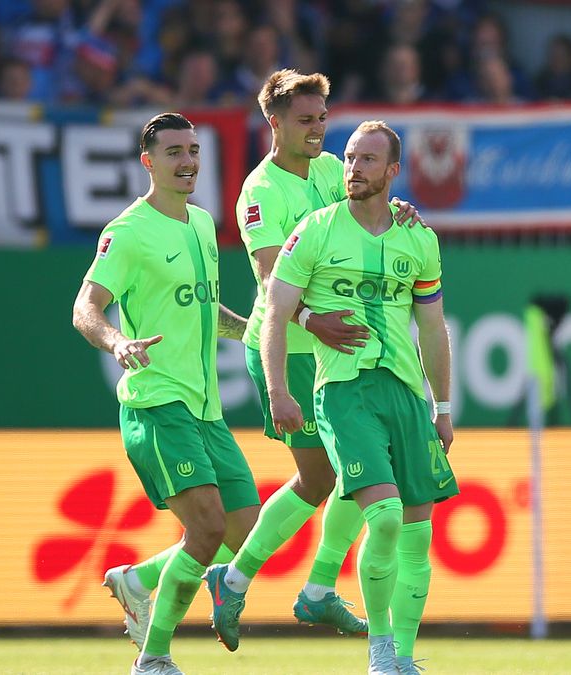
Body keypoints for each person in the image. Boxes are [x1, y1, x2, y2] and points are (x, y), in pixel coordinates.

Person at [202, 69, 423, 651]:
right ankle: (251, 579)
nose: (319, 130)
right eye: (306, 120)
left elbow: (362, 219)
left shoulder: (332, 171)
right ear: (274, 123)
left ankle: (301, 586)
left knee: (354, 473)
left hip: (330, 350)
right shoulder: (260, 192)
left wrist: (395, 213)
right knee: (331, 475)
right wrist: (311, 320)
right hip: (290, 347)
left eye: (323, 118)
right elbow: (274, 280)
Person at [265, 120, 457, 675]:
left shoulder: (418, 238)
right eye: (349, 158)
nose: (353, 168)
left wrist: (441, 407)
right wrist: (279, 389)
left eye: (368, 160)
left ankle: (402, 658)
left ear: (393, 171)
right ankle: (378, 652)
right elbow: (276, 311)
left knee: (418, 536)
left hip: (403, 394)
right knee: (389, 517)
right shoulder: (316, 230)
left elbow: (432, 328)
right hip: (345, 392)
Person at [73, 112, 257, 675]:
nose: (188, 162)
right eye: (174, 152)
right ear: (147, 161)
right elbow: (85, 308)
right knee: (204, 530)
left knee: (243, 526)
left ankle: (136, 581)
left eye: (194, 151)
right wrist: (117, 342)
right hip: (157, 403)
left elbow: (205, 309)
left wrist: (251, 331)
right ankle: (154, 657)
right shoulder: (127, 232)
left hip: (207, 410)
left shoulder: (202, 224)